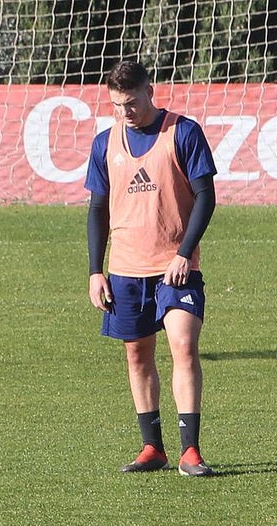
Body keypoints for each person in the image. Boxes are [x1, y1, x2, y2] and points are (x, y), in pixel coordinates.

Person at [84, 60, 218, 477]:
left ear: (150, 92)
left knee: (183, 345)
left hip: (175, 268)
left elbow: (206, 196)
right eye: (116, 104)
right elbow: (97, 209)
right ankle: (152, 448)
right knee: (137, 357)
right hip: (125, 268)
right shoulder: (106, 143)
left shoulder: (183, 132)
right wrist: (95, 270)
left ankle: (190, 451)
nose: (125, 111)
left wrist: (184, 252)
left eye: (131, 102)